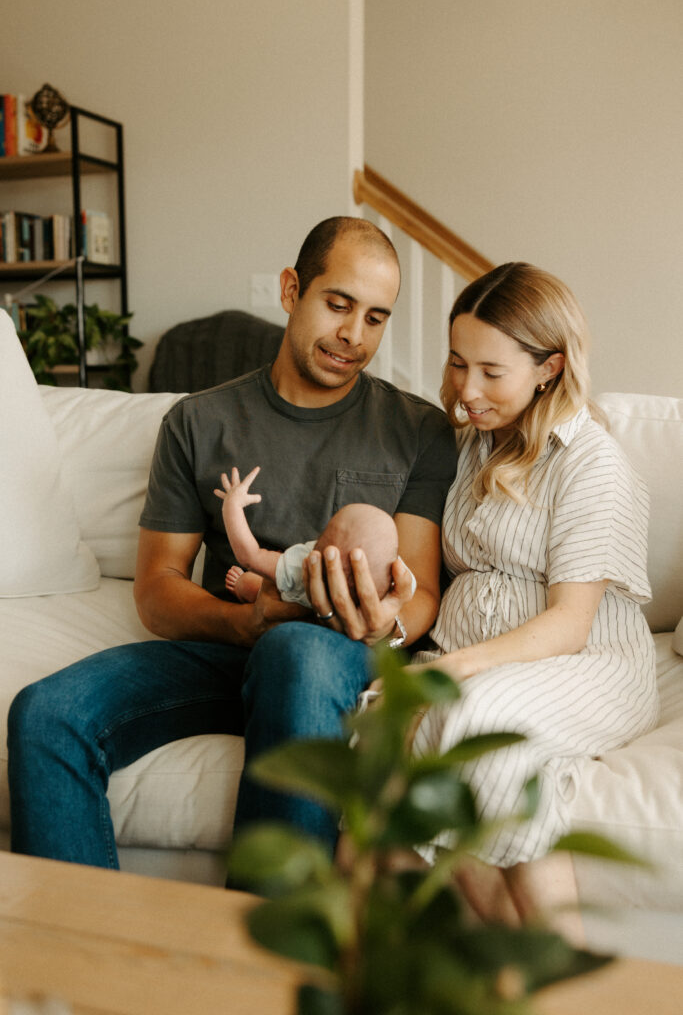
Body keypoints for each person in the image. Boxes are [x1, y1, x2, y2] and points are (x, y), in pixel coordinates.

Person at [7, 216, 457, 868]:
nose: (354, 336)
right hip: (229, 642)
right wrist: (245, 621)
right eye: (337, 305)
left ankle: (259, 959)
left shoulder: (418, 430)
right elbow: (158, 590)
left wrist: (386, 625)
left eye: (375, 318)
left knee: (296, 652)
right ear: (289, 290)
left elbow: (420, 591)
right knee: (46, 714)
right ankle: (80, 955)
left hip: (335, 655)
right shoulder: (197, 420)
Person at [383, 261, 658, 937]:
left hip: (583, 661)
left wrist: (458, 668)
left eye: (489, 372)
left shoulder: (589, 461)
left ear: (548, 367)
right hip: (480, 656)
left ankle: (554, 974)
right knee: (379, 738)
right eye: (455, 363)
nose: (465, 390)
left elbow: (568, 626)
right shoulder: (474, 444)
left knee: (478, 720)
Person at [216, 465, 412, 607]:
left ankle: (240, 586)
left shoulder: (301, 566)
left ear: (315, 550)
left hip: (288, 610)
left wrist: (232, 506)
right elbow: (407, 591)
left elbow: (250, 556)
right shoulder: (395, 580)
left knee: (252, 583)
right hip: (343, 637)